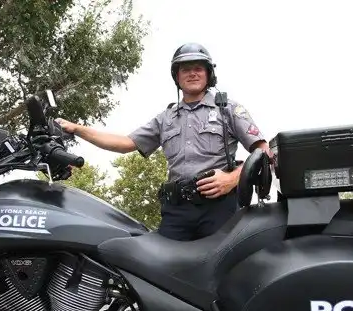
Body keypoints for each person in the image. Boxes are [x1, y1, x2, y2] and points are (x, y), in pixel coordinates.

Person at [55, 42, 272, 241]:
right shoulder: (166, 118)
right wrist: (76, 129)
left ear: (209, 74)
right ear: (177, 77)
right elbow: (125, 143)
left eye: (198, 68)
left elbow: (264, 152)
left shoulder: (228, 110)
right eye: (185, 69)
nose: (192, 73)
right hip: (176, 212)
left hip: (219, 208)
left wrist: (232, 179)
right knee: (159, 267)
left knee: (222, 268)